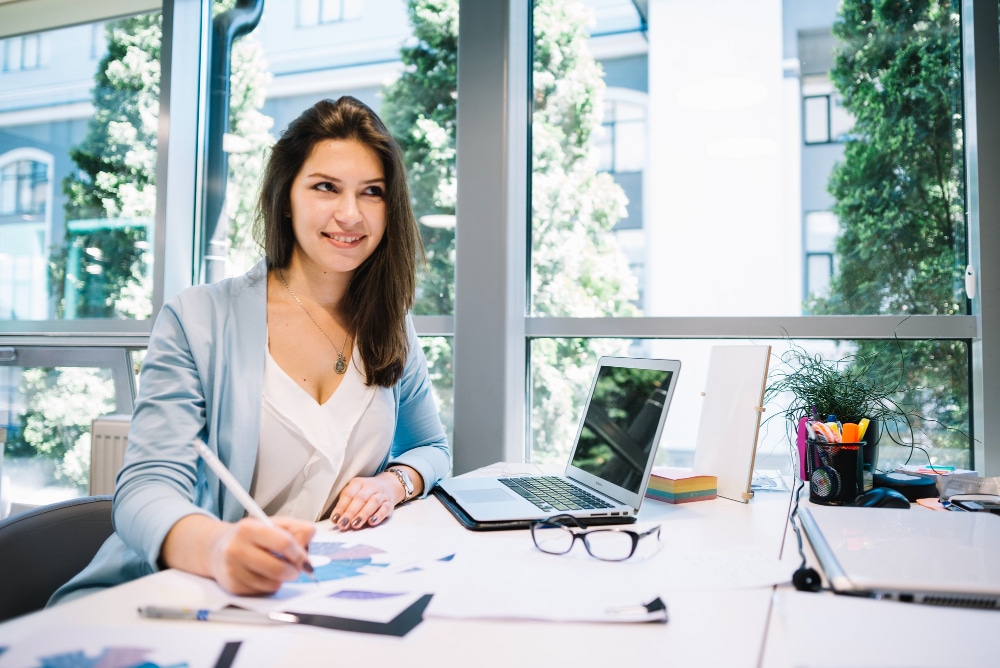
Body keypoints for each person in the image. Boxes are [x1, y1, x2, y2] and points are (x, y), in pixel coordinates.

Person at [50, 96, 450, 603]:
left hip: (312, 595)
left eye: (371, 192)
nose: (350, 214)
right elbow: (144, 489)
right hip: (175, 596)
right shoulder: (197, 319)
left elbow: (432, 450)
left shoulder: (391, 326)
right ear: (287, 197)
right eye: (326, 187)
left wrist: (394, 484)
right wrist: (218, 549)